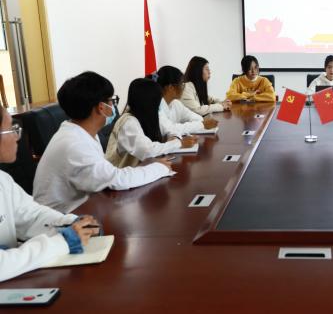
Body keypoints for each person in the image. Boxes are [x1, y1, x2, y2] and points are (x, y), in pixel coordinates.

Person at [32, 72, 173, 213]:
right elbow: (116, 180)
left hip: (84, 209)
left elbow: (106, 176)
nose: (113, 106)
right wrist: (159, 168)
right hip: (62, 221)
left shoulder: (80, 133)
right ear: (101, 107)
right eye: (112, 101)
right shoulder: (74, 144)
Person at [0, 106, 101, 282]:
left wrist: (71, 223)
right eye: (11, 129)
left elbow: (32, 215)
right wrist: (62, 242)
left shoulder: (3, 180)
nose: (17, 137)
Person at [106, 78, 197, 168]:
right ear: (148, 101)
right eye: (158, 101)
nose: (159, 105)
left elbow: (170, 129)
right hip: (124, 173)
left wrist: (173, 137)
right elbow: (148, 150)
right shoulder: (128, 122)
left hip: (144, 169)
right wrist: (179, 143)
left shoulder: (149, 115)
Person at [157, 65, 218, 137]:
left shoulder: (176, 103)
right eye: (181, 84)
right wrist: (201, 125)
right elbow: (170, 129)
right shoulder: (157, 107)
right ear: (171, 88)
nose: (183, 88)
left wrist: (201, 124)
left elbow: (196, 118)